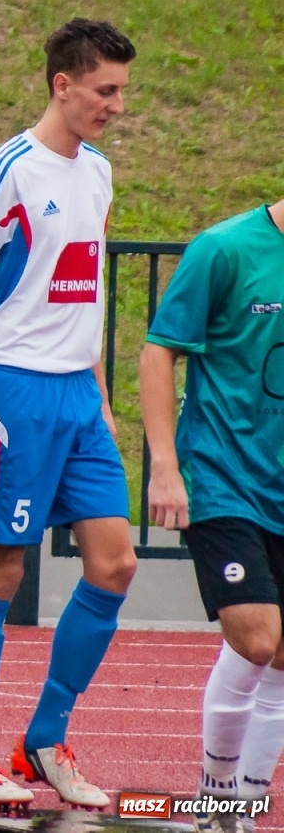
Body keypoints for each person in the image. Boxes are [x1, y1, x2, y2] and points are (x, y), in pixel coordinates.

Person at [0, 19, 140, 810]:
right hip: (11, 389)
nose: (118, 106)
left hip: (76, 396)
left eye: (123, 90)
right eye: (107, 90)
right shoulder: (7, 173)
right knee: (3, 568)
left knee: (116, 563)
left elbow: (85, 285)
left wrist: (97, 388)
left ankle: (44, 738)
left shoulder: (96, 173)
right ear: (64, 85)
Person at [141, 197, 284, 833]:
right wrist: (166, 467)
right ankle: (217, 793)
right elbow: (157, 351)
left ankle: (245, 806)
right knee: (255, 636)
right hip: (223, 475)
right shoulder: (224, 249)